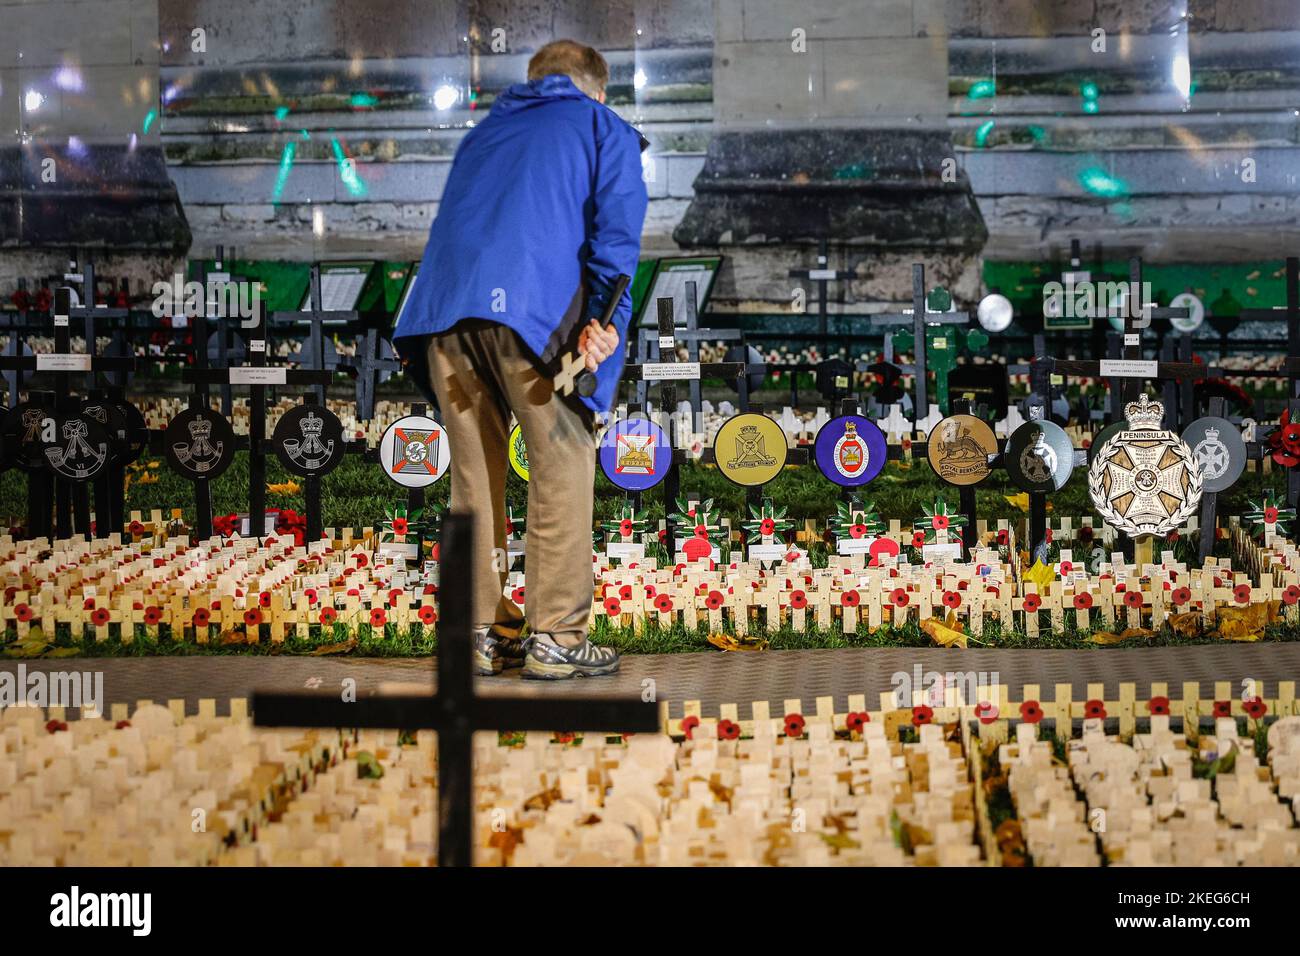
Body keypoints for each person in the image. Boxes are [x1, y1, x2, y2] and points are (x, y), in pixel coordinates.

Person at [393, 39, 648, 679]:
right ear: (596, 88)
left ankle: (480, 632)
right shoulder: (600, 125)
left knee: (473, 480)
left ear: (534, 81)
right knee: (560, 466)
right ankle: (557, 636)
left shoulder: (485, 133)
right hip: (533, 318)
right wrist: (605, 324)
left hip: (444, 319)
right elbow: (617, 235)